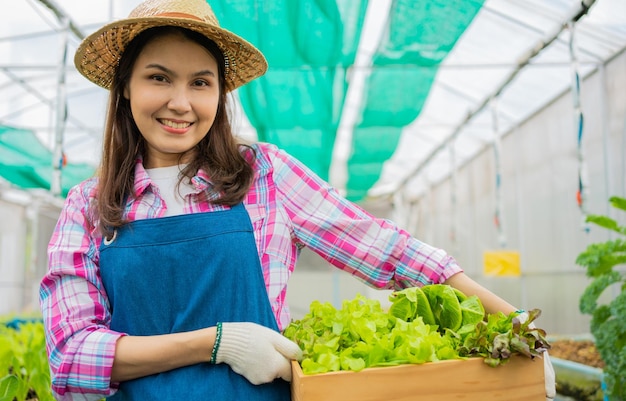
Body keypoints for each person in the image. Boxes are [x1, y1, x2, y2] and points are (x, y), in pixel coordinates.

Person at [39, 0, 555, 399]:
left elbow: (389, 252)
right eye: (158, 78)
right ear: (125, 88)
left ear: (220, 94)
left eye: (201, 82)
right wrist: (215, 343)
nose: (181, 102)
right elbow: (70, 358)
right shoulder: (89, 204)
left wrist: (520, 330)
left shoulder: (261, 174)